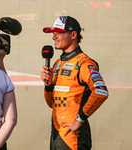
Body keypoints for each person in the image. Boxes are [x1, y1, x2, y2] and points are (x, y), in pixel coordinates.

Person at [41, 16, 109, 150]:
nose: (54, 37)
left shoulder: (84, 63)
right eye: (53, 33)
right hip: (56, 133)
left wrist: (79, 120)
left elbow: (101, 91)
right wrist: (48, 85)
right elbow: (51, 104)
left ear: (73, 35)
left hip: (73, 137)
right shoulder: (58, 63)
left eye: (59, 33)